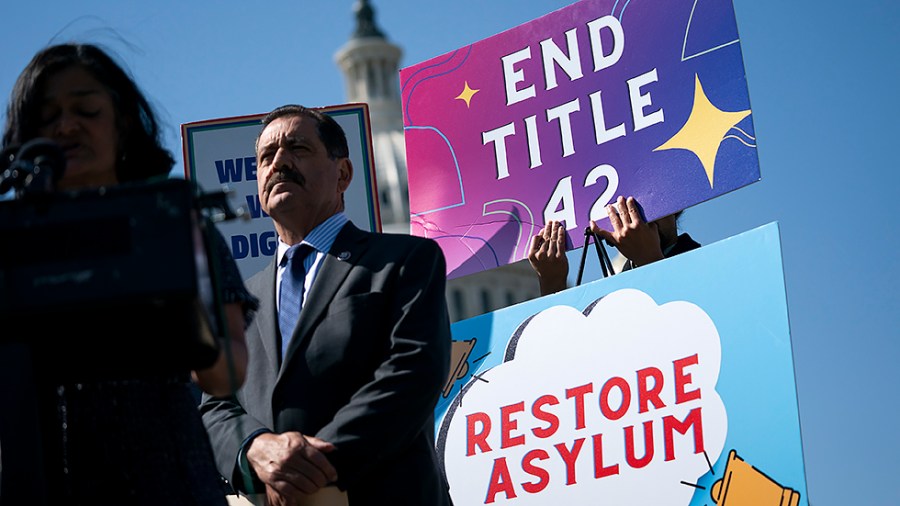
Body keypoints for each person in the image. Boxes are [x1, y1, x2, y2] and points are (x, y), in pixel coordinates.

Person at [0, 42, 258, 504]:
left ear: (121, 121)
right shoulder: (9, 243)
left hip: (168, 479)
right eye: (47, 116)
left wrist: (181, 325)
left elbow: (226, 373)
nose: (66, 126)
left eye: (86, 109)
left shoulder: (176, 224)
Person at [200, 104, 453, 506]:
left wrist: (308, 467)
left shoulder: (404, 261)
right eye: (266, 157)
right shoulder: (240, 299)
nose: (279, 162)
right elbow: (215, 403)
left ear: (343, 174)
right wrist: (255, 450)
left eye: (297, 148)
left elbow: (412, 372)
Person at [528, 195, 701, 295]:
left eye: (648, 204)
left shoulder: (703, 263)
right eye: (624, 209)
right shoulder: (611, 288)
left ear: (676, 205)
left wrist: (650, 260)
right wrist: (552, 283)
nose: (637, 220)